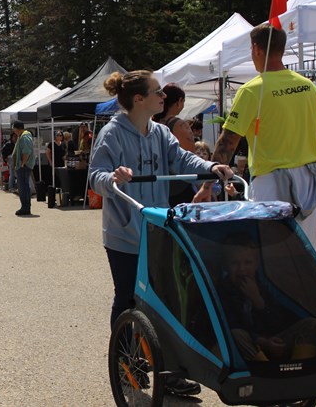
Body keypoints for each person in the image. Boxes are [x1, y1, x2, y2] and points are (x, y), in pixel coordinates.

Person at [88, 70, 233, 397]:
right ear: (139, 99)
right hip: (125, 235)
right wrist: (113, 177)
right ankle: (127, 363)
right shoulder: (112, 134)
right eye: (157, 92)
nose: (163, 97)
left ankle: (170, 373)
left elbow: (181, 158)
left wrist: (210, 168)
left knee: (169, 304)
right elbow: (96, 176)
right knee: (128, 300)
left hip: (158, 231)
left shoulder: (160, 132)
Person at [195, 23, 316, 254]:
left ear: (256, 49)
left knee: (268, 250)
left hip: (270, 180)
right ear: (281, 49)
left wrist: (207, 185)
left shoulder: (253, 90)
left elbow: (228, 142)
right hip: (308, 178)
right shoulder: (309, 87)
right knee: (307, 250)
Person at [218, 233, 316, 361]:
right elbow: (230, 324)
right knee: (236, 335)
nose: (242, 269)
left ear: (256, 264)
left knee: (312, 324)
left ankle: (300, 366)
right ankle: (265, 369)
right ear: (226, 266)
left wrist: (258, 300)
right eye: (235, 263)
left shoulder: (263, 287)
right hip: (252, 344)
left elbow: (277, 322)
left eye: (248, 262)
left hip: (274, 340)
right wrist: (262, 342)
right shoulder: (223, 291)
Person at [154, 83, 197, 206]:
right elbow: (190, 158)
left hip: (156, 183)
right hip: (178, 185)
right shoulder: (180, 125)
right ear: (179, 101)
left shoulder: (152, 123)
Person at [11, 121, 35, 216]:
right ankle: (25, 207)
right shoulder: (22, 136)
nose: (13, 131)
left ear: (17, 128)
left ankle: (25, 208)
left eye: (14, 128)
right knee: (23, 186)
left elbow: (26, 151)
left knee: (23, 187)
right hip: (22, 166)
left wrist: (23, 163)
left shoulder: (24, 137)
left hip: (24, 166)